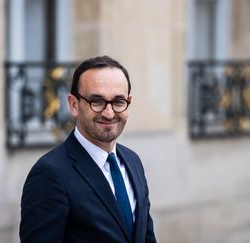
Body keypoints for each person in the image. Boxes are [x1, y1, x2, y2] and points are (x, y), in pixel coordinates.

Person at [20, 55, 157, 243]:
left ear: (128, 103)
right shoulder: (49, 174)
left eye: (118, 102)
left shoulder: (133, 161)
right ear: (74, 105)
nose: (109, 113)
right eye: (97, 101)